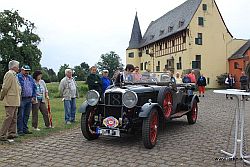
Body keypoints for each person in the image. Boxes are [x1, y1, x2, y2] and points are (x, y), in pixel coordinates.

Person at [0, 60, 21, 141]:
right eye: (18, 66)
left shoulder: (14, 74)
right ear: (14, 67)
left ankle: (12, 133)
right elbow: (5, 87)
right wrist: (1, 97)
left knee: (14, 117)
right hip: (10, 99)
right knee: (9, 117)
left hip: (15, 99)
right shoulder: (9, 74)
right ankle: (2, 134)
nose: (18, 68)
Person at [17, 65, 36, 135]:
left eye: (28, 70)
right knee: (20, 115)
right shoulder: (18, 77)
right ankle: (20, 130)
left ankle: (25, 129)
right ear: (21, 70)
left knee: (27, 115)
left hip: (29, 98)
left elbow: (34, 87)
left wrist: (33, 96)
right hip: (22, 98)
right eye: (25, 70)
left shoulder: (30, 77)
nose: (27, 72)